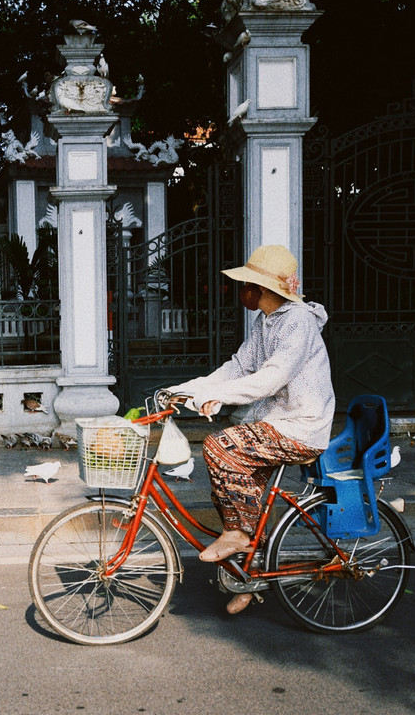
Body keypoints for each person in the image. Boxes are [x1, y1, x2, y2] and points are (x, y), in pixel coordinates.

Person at [170, 244, 335, 615]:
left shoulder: (299, 322)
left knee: (221, 447)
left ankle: (238, 536)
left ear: (266, 289)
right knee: (236, 493)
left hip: (301, 427)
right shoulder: (267, 321)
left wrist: (217, 395)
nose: (243, 290)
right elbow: (238, 367)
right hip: (277, 422)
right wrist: (189, 389)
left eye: (249, 284)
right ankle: (248, 574)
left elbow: (269, 380)